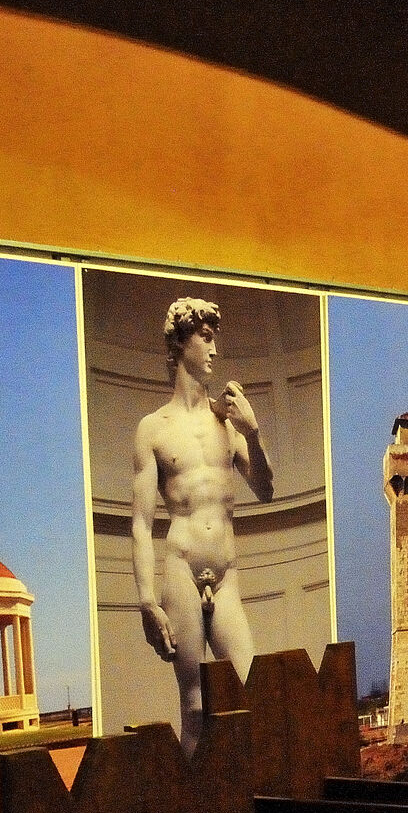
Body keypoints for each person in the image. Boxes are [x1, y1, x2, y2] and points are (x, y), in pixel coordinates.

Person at [131, 297, 275, 752]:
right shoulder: (152, 429)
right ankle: (197, 810)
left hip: (227, 574)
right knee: (193, 706)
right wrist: (146, 602)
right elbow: (140, 524)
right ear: (180, 344)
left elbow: (266, 490)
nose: (214, 351)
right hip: (181, 569)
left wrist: (253, 431)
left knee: (250, 692)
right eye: (206, 339)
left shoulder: (228, 424)